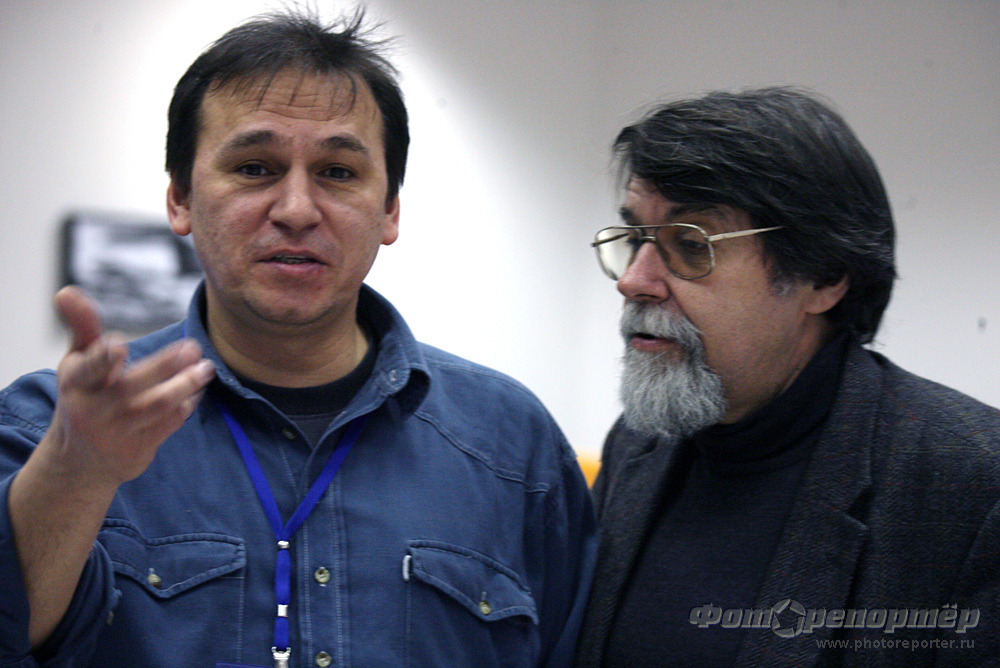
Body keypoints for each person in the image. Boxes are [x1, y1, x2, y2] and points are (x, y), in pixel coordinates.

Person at [0, 10, 596, 667]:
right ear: (180, 198)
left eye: (337, 173)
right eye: (255, 167)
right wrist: (76, 473)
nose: (296, 210)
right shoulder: (48, 428)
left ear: (390, 209)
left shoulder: (511, 445)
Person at [576, 87, 1000, 666]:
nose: (633, 281)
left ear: (823, 278)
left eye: (691, 245)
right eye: (634, 240)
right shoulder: (638, 443)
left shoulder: (971, 485)